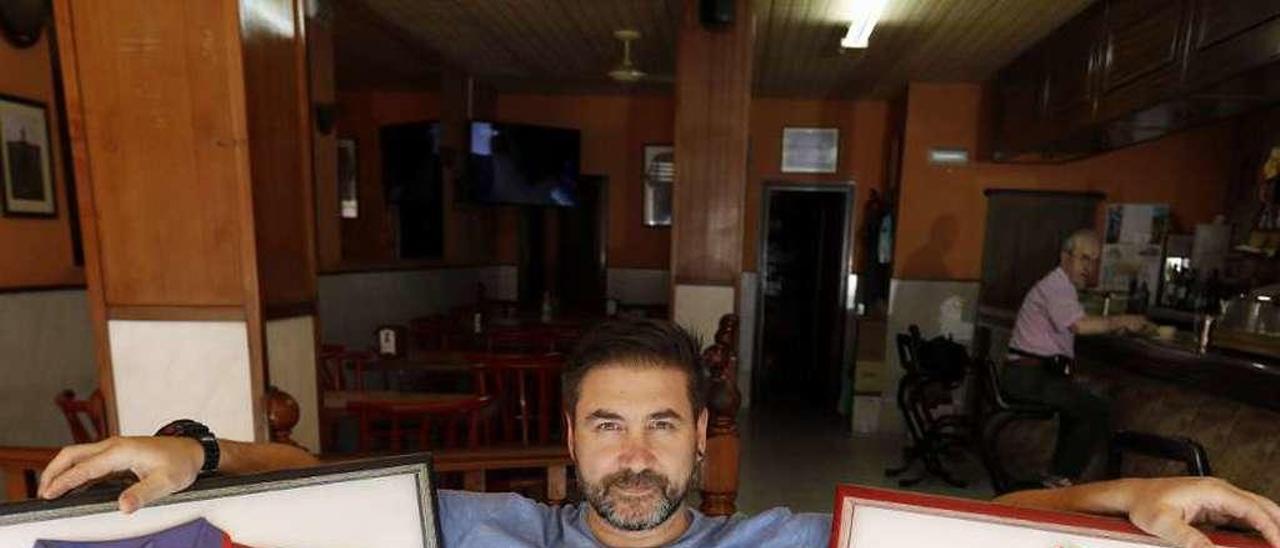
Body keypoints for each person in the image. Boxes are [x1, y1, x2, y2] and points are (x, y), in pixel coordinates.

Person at [38, 319, 1280, 548]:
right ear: (568, 442)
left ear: (701, 440)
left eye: (661, 428)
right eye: (609, 428)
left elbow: (964, 529)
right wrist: (193, 450)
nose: (635, 457)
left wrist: (1118, 497)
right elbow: (322, 481)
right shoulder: (490, 525)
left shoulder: (780, 537)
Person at [1004, 229, 1154, 487]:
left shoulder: (1061, 286)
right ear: (1065, 257)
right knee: (1094, 409)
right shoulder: (1057, 286)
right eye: (1084, 258)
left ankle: (1057, 477)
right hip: (1028, 377)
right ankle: (1061, 479)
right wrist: (1123, 320)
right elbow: (1080, 326)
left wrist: (1112, 325)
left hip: (1030, 375)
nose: (1089, 267)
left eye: (1094, 261)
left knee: (1079, 406)